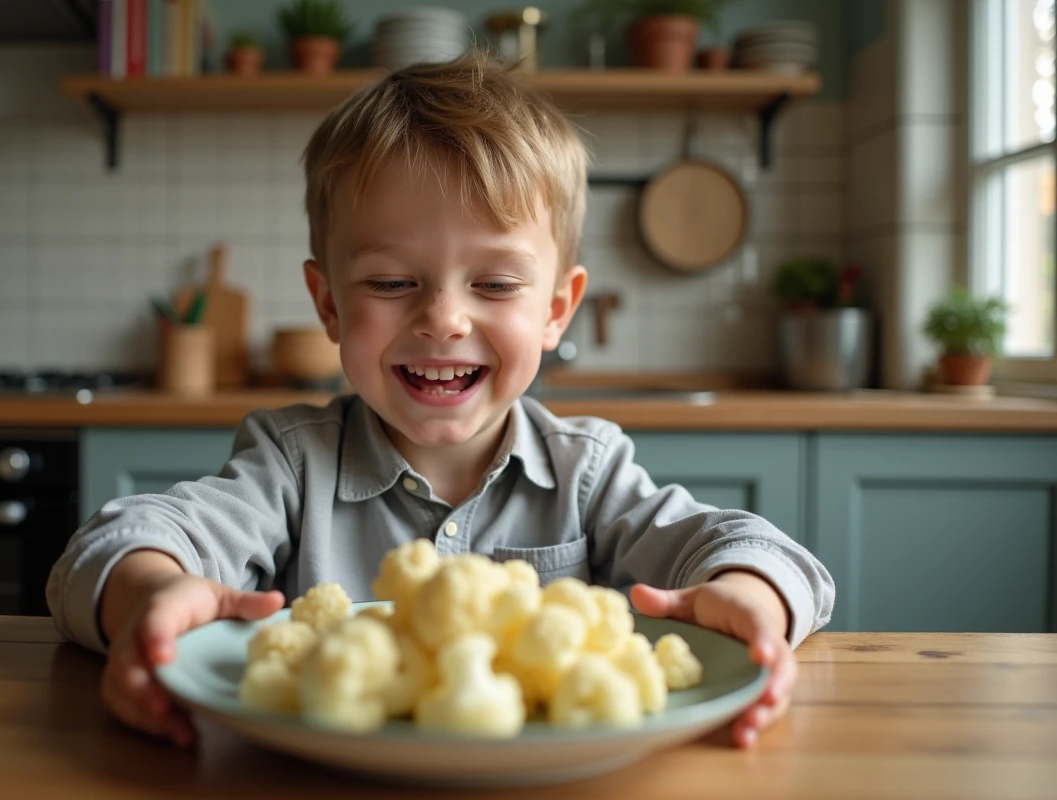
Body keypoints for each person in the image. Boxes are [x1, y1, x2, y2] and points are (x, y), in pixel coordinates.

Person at [47, 51, 834, 752]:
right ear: (327, 304)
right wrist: (149, 593)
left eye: (494, 284)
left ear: (559, 309)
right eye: (392, 283)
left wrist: (746, 594)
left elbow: (753, 547)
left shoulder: (588, 471)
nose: (445, 319)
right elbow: (126, 538)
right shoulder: (291, 463)